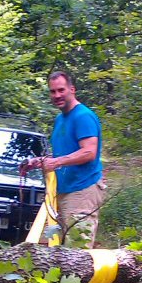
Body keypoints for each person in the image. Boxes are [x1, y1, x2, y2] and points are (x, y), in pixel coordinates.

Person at [19, 70, 105, 247]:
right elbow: (65, 154)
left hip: (82, 191)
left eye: (61, 90)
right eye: (52, 91)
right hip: (59, 192)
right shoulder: (60, 119)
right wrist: (40, 161)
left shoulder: (83, 116)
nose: (57, 95)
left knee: (76, 252)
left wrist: (56, 162)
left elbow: (89, 152)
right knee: (44, 246)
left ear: (72, 89)